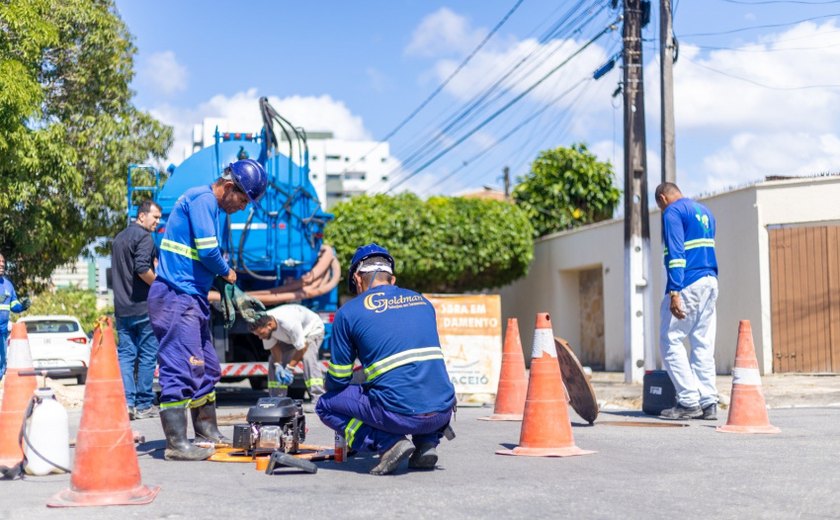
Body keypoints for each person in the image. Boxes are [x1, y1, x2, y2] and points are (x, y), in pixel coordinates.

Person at [147, 159, 267, 461]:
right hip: (175, 297)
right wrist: (229, 275)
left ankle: (206, 431)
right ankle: (176, 444)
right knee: (182, 366)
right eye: (242, 200)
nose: (242, 208)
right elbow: (208, 251)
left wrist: (221, 281)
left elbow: (201, 256)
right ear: (228, 187)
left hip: (191, 298)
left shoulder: (212, 209)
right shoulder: (202, 199)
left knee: (208, 367)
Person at [316, 243, 456, 475]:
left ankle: (388, 443)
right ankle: (426, 444)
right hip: (442, 412)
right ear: (392, 279)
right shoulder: (423, 302)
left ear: (358, 280)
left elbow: (339, 378)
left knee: (326, 405)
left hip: (400, 416)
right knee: (420, 380)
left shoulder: (349, 313)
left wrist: (332, 386)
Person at [655, 182, 720, 420]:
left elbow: (676, 252)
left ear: (662, 199)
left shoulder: (672, 212)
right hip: (710, 281)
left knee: (670, 340)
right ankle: (708, 402)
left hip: (688, 282)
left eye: (660, 206)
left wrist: (674, 290)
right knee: (702, 343)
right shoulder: (705, 212)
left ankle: (688, 401)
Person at [112, 200, 162, 420]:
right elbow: (142, 268)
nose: (158, 222)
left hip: (122, 308)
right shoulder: (144, 237)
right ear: (142, 216)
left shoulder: (118, 238)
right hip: (143, 308)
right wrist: (160, 285)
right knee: (147, 356)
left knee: (125, 355)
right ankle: (143, 405)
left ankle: (127, 404)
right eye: (155, 217)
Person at [248, 304, 326, 409]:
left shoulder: (289, 323)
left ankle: (318, 399)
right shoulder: (266, 326)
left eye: (261, 333)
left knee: (308, 358)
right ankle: (276, 399)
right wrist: (278, 365)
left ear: (269, 325)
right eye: (257, 335)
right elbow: (274, 347)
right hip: (290, 337)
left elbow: (302, 348)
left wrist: (289, 368)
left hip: (311, 330)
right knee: (272, 361)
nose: (260, 337)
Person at [0, 253, 30, 380]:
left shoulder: (8, 285)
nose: (2, 264)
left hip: (2, 331)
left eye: (3, 262)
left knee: (2, 362)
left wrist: (22, 306)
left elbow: (14, 305)